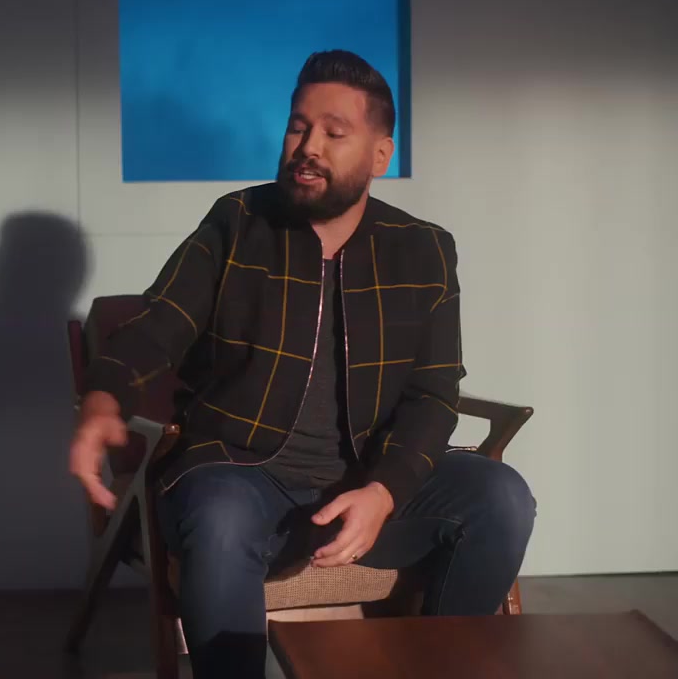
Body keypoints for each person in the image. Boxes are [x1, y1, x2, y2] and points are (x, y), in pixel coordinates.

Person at [69, 50, 536, 678]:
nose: (307, 147)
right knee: (222, 518)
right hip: (242, 476)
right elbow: (156, 328)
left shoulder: (423, 250)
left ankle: (437, 668)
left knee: (501, 496)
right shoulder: (238, 222)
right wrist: (103, 401)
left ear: (380, 155)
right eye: (298, 127)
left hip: (365, 481)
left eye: (334, 133)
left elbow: (432, 393)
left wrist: (385, 491)